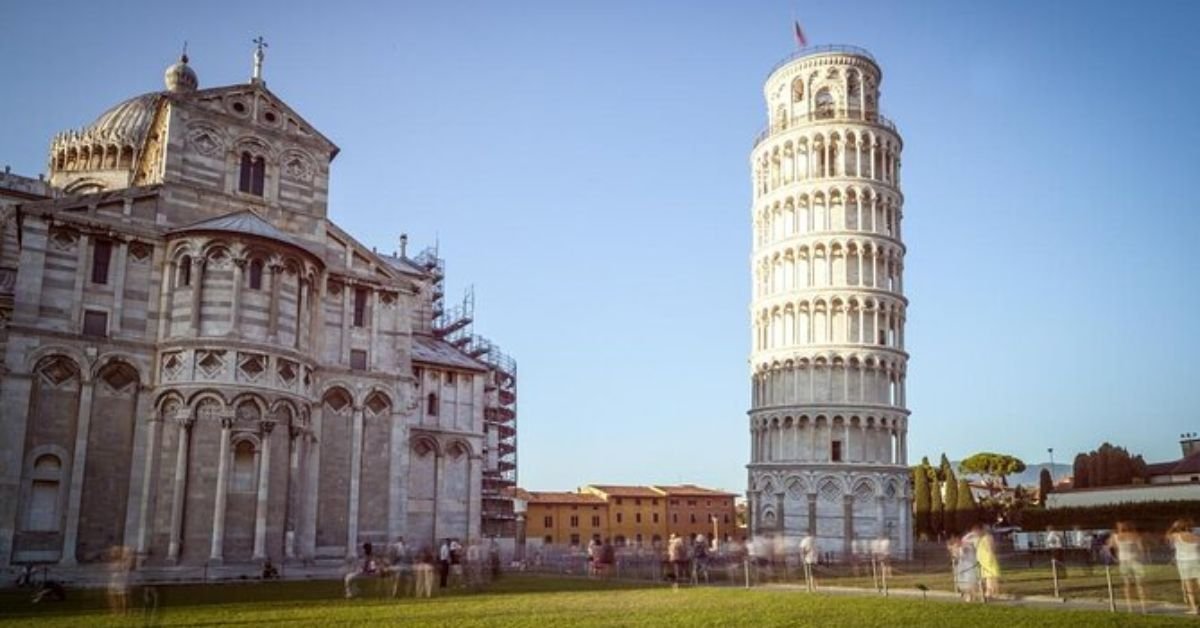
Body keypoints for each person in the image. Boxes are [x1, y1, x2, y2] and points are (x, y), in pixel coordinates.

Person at [1108, 521, 1147, 614]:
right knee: (1130, 585)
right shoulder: (1119, 536)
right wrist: (1115, 557)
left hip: (1131, 561)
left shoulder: (1120, 536)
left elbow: (1110, 547)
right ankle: (1133, 606)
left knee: (1135, 585)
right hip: (1130, 561)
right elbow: (1110, 548)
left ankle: (1139, 607)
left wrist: (1115, 557)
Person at [1168, 519, 1200, 615]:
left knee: (1189, 586)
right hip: (1197, 560)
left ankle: (1194, 609)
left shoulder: (1175, 536)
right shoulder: (1196, 537)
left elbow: (1167, 534)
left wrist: (1173, 527)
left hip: (1183, 563)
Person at [973, 525, 1000, 600]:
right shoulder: (981, 538)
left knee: (991, 577)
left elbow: (990, 548)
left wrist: (990, 558)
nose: (976, 533)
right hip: (983, 561)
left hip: (988, 561)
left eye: (977, 531)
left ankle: (992, 593)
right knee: (988, 577)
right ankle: (990, 592)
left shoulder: (988, 537)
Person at [950, 534, 979, 602]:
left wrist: (960, 547)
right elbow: (956, 557)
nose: (955, 542)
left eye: (956, 540)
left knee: (970, 581)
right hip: (962, 566)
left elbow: (965, 551)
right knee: (964, 582)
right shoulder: (957, 547)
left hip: (970, 565)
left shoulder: (966, 545)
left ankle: (973, 596)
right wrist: (954, 551)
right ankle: (968, 595)